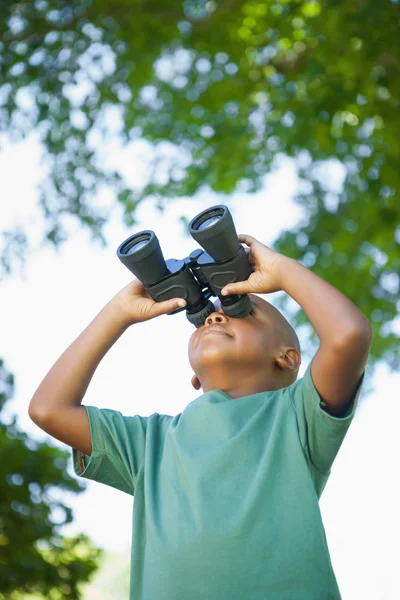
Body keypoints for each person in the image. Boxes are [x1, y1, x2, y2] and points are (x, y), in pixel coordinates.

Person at [29, 233, 372, 600]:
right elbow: (48, 409)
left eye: (242, 308)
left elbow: (348, 335)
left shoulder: (297, 416)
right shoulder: (151, 443)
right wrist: (118, 312)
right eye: (203, 318)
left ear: (288, 358)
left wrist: (282, 271)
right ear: (195, 377)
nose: (215, 315)